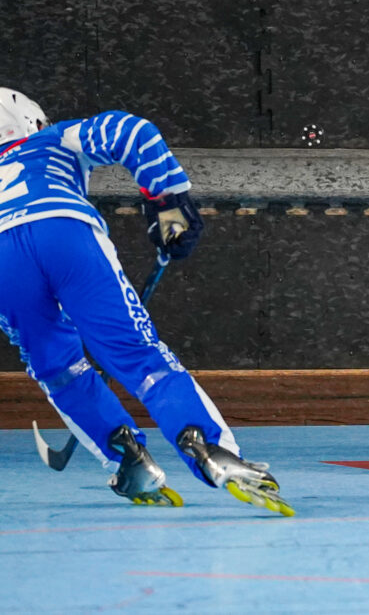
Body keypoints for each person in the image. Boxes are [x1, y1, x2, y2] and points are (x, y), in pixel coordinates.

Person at [0, 87, 292, 514]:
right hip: (63, 230)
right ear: (31, 122)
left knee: (57, 370)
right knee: (139, 355)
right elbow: (132, 131)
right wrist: (169, 206)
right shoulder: (52, 138)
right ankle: (211, 448)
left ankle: (126, 460)